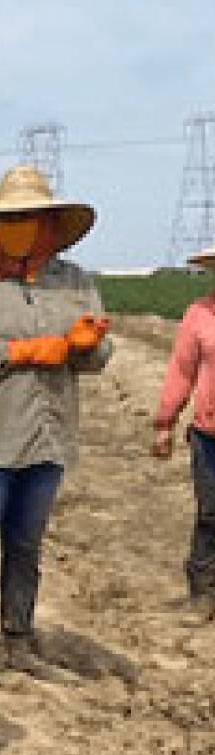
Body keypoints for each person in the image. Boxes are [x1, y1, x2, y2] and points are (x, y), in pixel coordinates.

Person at [0, 165, 111, 686]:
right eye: (12, 217)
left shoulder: (73, 281)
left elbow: (98, 354)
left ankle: (19, 641)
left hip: (47, 433)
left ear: (50, 224)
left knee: (27, 544)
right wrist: (15, 352)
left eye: (32, 217)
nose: (22, 226)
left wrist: (87, 347)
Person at [151, 241, 215, 621]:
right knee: (211, 513)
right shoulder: (199, 315)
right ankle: (203, 592)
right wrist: (165, 423)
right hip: (209, 433)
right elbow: (182, 371)